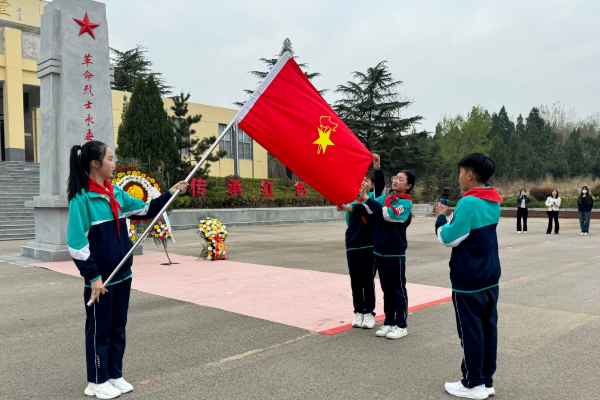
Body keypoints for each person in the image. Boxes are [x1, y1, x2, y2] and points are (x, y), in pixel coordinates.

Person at [67, 141, 188, 399]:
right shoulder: (82, 200)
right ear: (95, 163)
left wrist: (171, 192)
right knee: (100, 330)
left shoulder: (116, 193)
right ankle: (96, 381)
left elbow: (145, 210)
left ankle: (114, 374)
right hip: (102, 280)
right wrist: (94, 277)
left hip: (123, 274)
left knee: (118, 327)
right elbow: (76, 244)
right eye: (110, 159)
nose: (114, 163)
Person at [434, 153, 502, 400]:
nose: (459, 177)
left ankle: (473, 383)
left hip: (469, 279)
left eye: (461, 172)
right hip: (489, 276)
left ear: (470, 174)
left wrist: (441, 217)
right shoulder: (493, 200)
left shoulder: (469, 203)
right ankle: (486, 379)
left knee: (470, 330)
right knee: (487, 328)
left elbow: (448, 238)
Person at [342, 170, 414, 340]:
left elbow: (386, 214)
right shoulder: (385, 199)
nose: (396, 180)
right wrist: (349, 208)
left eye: (401, 179)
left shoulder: (405, 203)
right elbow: (368, 208)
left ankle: (401, 324)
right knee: (386, 289)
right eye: (395, 177)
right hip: (380, 250)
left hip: (394, 251)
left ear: (408, 186)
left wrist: (367, 197)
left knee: (397, 289)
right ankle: (388, 322)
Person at [338, 154, 384, 329]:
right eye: (361, 181)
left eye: (367, 181)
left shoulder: (374, 200)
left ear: (372, 185)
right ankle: (358, 311)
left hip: (369, 245)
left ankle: (369, 313)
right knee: (355, 280)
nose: (363, 183)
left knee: (367, 280)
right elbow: (349, 221)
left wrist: (377, 169)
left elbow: (380, 189)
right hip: (352, 245)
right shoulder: (351, 201)